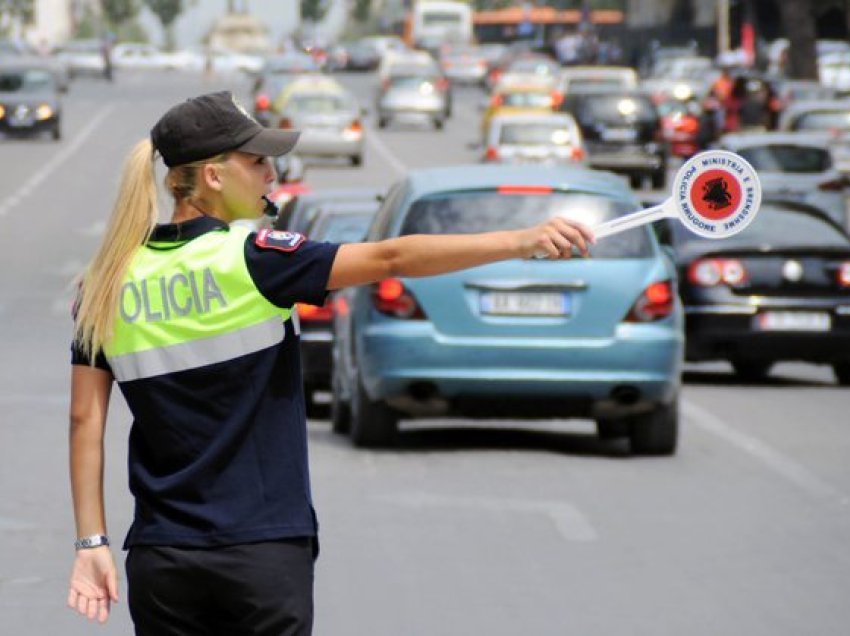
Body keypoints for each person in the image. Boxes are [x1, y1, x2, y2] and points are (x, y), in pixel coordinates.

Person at [66, 91, 594, 635]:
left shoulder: (105, 284)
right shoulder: (253, 260)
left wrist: (91, 544)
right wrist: (519, 241)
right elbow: (390, 257)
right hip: (262, 552)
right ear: (214, 178)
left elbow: (85, 422)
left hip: (162, 558)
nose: (273, 173)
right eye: (258, 161)